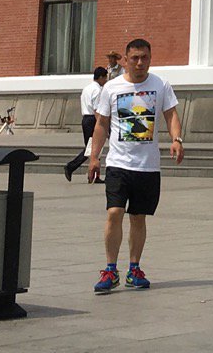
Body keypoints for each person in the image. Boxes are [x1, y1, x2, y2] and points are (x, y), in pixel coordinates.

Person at [90, 38, 183, 294]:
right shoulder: (111, 87)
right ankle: (110, 270)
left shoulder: (161, 85)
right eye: (135, 58)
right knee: (114, 212)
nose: (140, 63)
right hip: (118, 164)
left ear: (150, 59)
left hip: (147, 166)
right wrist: (94, 156)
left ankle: (134, 270)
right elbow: (101, 124)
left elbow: (171, 115)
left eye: (144, 58)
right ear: (126, 60)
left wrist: (176, 140)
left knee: (138, 217)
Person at [65, 66, 109, 181]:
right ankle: (72, 166)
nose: (106, 81)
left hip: (85, 118)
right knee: (94, 147)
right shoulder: (98, 90)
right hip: (93, 119)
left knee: (91, 147)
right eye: (105, 78)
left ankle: (92, 176)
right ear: (101, 77)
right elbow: (97, 109)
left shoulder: (86, 88)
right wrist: (102, 125)